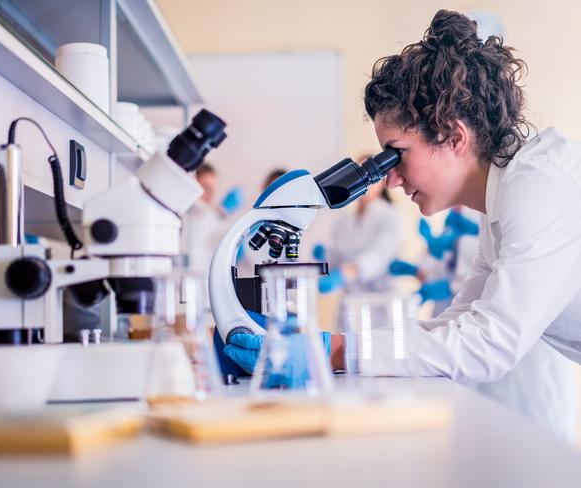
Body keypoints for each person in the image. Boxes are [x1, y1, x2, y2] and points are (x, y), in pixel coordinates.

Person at [226, 10, 581, 394]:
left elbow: (488, 344)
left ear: (454, 136)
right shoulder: (504, 197)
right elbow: (455, 322)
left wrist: (332, 351)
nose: (391, 180)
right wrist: (327, 343)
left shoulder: (538, 184)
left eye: (396, 154)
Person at [315, 174, 402, 294]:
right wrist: (324, 256)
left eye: (369, 176)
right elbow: (337, 258)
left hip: (380, 301)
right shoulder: (343, 221)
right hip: (349, 301)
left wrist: (343, 274)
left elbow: (379, 256)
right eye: (358, 175)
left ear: (381, 183)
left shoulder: (389, 215)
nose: (364, 182)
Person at [181, 163, 243, 306]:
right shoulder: (183, 214)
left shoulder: (215, 220)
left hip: (206, 297)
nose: (209, 194)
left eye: (212, 189)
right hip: (182, 292)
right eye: (205, 187)